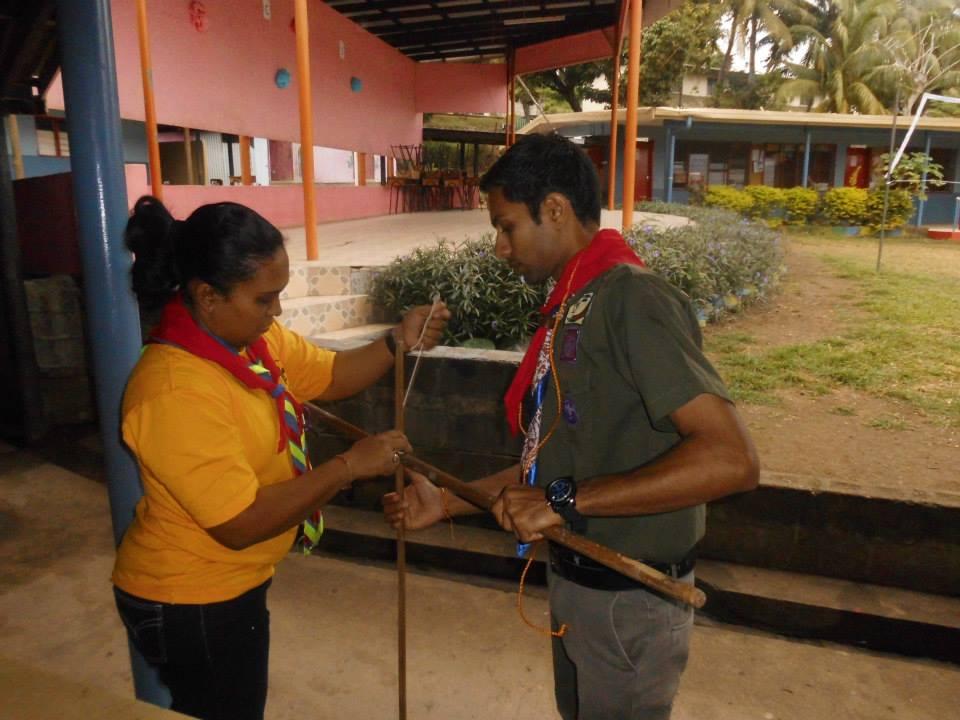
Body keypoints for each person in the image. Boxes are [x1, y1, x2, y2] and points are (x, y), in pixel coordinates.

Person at [383, 134, 759, 720]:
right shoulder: (573, 306)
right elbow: (554, 471)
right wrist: (449, 503)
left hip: (630, 598)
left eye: (507, 226)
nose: (500, 247)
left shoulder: (632, 299)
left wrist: (564, 498)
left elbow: (731, 459)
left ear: (554, 209)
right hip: (578, 582)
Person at [113, 196, 450, 720]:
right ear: (206, 295)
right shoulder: (175, 389)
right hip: (191, 595)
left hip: (233, 581)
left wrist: (395, 342)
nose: (277, 313)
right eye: (264, 300)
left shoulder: (249, 344)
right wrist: (347, 468)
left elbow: (333, 376)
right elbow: (239, 523)